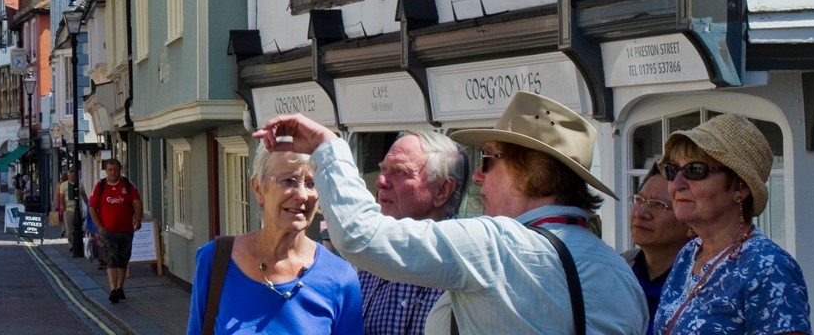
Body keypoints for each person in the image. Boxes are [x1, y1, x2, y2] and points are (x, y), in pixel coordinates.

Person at [255, 91, 646, 333]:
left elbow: (361, 235)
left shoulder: (498, 243)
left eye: (490, 160)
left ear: (530, 173)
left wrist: (327, 145)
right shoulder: (619, 272)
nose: (477, 175)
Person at [653, 114, 810, 334]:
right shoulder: (689, 254)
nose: (677, 184)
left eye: (695, 170)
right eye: (672, 171)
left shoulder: (768, 267)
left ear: (740, 187)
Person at [186, 150, 363, 334]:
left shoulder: (340, 277)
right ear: (258, 188)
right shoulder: (216, 259)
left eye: (312, 183)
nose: (302, 195)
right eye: (288, 181)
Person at [360, 131, 469, 334]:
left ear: (442, 190)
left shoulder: (467, 261)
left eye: (399, 171)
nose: (380, 181)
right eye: (382, 170)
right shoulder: (369, 255)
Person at [624, 162, 693, 335]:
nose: (641, 212)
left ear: (689, 221)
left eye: (657, 204)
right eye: (639, 200)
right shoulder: (620, 267)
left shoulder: (702, 281)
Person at [89, 158, 141, 304]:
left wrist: (138, 217)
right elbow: (92, 207)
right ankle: (112, 290)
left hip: (126, 229)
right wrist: (99, 227)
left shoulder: (128, 185)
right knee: (111, 259)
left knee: (123, 259)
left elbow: (136, 202)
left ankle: (120, 287)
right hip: (108, 230)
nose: (113, 172)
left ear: (120, 170)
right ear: (106, 171)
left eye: (116, 169)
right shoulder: (100, 186)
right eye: (110, 170)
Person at [55, 171, 79, 238]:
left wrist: (55, 203)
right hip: (65, 204)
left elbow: (57, 195)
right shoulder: (64, 185)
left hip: (62, 203)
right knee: (65, 218)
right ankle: (66, 229)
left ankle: (64, 228)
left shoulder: (59, 184)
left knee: (62, 218)